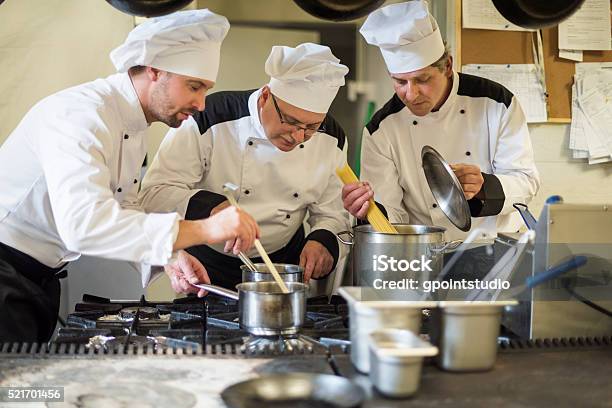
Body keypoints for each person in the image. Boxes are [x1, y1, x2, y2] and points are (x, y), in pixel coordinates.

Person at [0, 9, 260, 343]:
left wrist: (169, 257)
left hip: (39, 279)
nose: (201, 103)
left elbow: (124, 208)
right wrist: (206, 229)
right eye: (194, 86)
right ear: (154, 70)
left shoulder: (133, 125)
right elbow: (85, 224)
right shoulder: (80, 115)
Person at [139, 43, 350, 289]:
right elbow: (155, 193)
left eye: (311, 127)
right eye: (290, 122)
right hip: (206, 268)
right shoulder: (209, 117)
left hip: (283, 269)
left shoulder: (332, 136)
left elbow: (332, 211)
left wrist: (322, 239)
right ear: (265, 96)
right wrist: (212, 208)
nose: (298, 137)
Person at [343, 1, 540, 241]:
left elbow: (526, 182)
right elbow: (392, 218)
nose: (411, 94)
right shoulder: (381, 130)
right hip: (428, 253)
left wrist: (484, 187)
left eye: (422, 79)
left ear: (447, 65)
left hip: (499, 245)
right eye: (400, 82)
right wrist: (368, 211)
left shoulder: (497, 103)